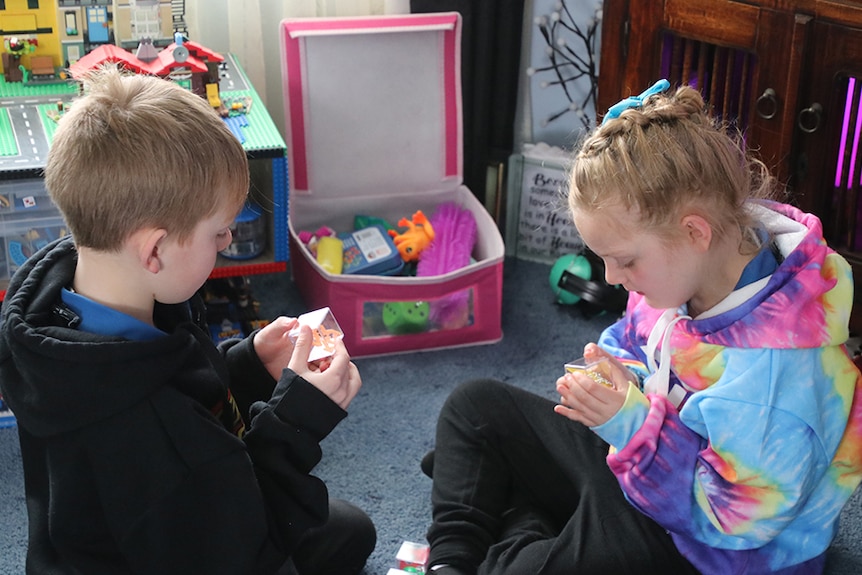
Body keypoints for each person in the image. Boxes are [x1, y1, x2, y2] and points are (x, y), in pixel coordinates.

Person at [422, 80, 862, 574]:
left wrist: (630, 426)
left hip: (706, 546)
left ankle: (519, 519)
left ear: (695, 232)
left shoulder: (779, 373)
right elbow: (634, 341)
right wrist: (620, 376)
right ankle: (457, 558)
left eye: (624, 260)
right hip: (639, 457)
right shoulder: (682, 273)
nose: (611, 278)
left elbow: (729, 520)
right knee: (473, 406)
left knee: (526, 563)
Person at [0, 65, 375, 575]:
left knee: (348, 531)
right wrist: (295, 424)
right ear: (154, 249)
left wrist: (245, 367)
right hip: (196, 548)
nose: (226, 245)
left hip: (162, 520)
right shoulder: (142, 428)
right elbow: (241, 552)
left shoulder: (94, 295)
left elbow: (180, 390)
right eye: (219, 234)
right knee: (316, 535)